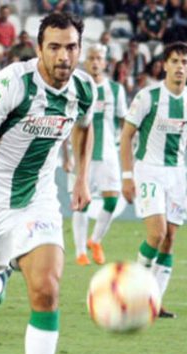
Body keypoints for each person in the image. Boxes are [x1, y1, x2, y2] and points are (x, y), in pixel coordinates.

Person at [0, 12, 94, 354]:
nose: (63, 56)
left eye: (71, 47)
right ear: (39, 49)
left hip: (39, 200)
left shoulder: (84, 89)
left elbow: (84, 128)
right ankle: (3, 269)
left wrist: (82, 177)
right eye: (54, 47)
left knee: (47, 290)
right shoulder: (13, 83)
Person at [120, 42, 187, 319]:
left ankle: (155, 301)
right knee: (157, 233)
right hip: (149, 169)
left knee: (170, 239)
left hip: (177, 174)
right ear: (164, 65)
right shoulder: (147, 97)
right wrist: (127, 176)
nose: (180, 67)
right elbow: (126, 135)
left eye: (185, 62)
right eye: (174, 61)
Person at [72, 43, 127, 266]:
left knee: (112, 200)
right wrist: (67, 158)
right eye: (92, 58)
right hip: (81, 154)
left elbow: (124, 119)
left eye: (99, 58)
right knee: (81, 202)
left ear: (105, 63)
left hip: (108, 153)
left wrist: (121, 143)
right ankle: (80, 252)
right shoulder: (77, 87)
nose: (95, 62)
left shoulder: (116, 90)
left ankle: (95, 240)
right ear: (86, 61)